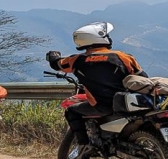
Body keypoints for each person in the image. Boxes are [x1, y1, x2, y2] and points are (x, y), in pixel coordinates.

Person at [46, 21, 148, 152]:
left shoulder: (76, 61)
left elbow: (57, 64)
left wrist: (53, 56)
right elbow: (143, 78)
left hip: (102, 106)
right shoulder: (123, 57)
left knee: (71, 111)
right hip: (128, 104)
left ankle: (83, 144)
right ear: (100, 37)